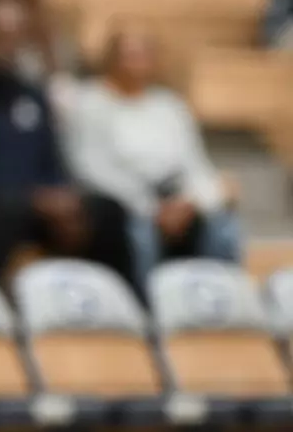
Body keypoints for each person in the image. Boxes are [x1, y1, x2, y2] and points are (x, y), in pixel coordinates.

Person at [0, 0, 131, 287]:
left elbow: (52, 160)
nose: (6, 44)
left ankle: (120, 310)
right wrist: (35, 199)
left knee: (107, 210)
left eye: (15, 35)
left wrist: (63, 199)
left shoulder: (32, 92)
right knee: (4, 210)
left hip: (34, 208)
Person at [64, 23, 243, 289]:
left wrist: (193, 201)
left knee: (223, 226)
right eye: (129, 54)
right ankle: (148, 310)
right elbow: (91, 169)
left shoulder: (170, 107)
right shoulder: (90, 103)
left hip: (177, 198)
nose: (137, 62)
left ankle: (219, 307)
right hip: (128, 202)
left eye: (143, 53)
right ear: (111, 58)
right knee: (140, 233)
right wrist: (150, 208)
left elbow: (194, 165)